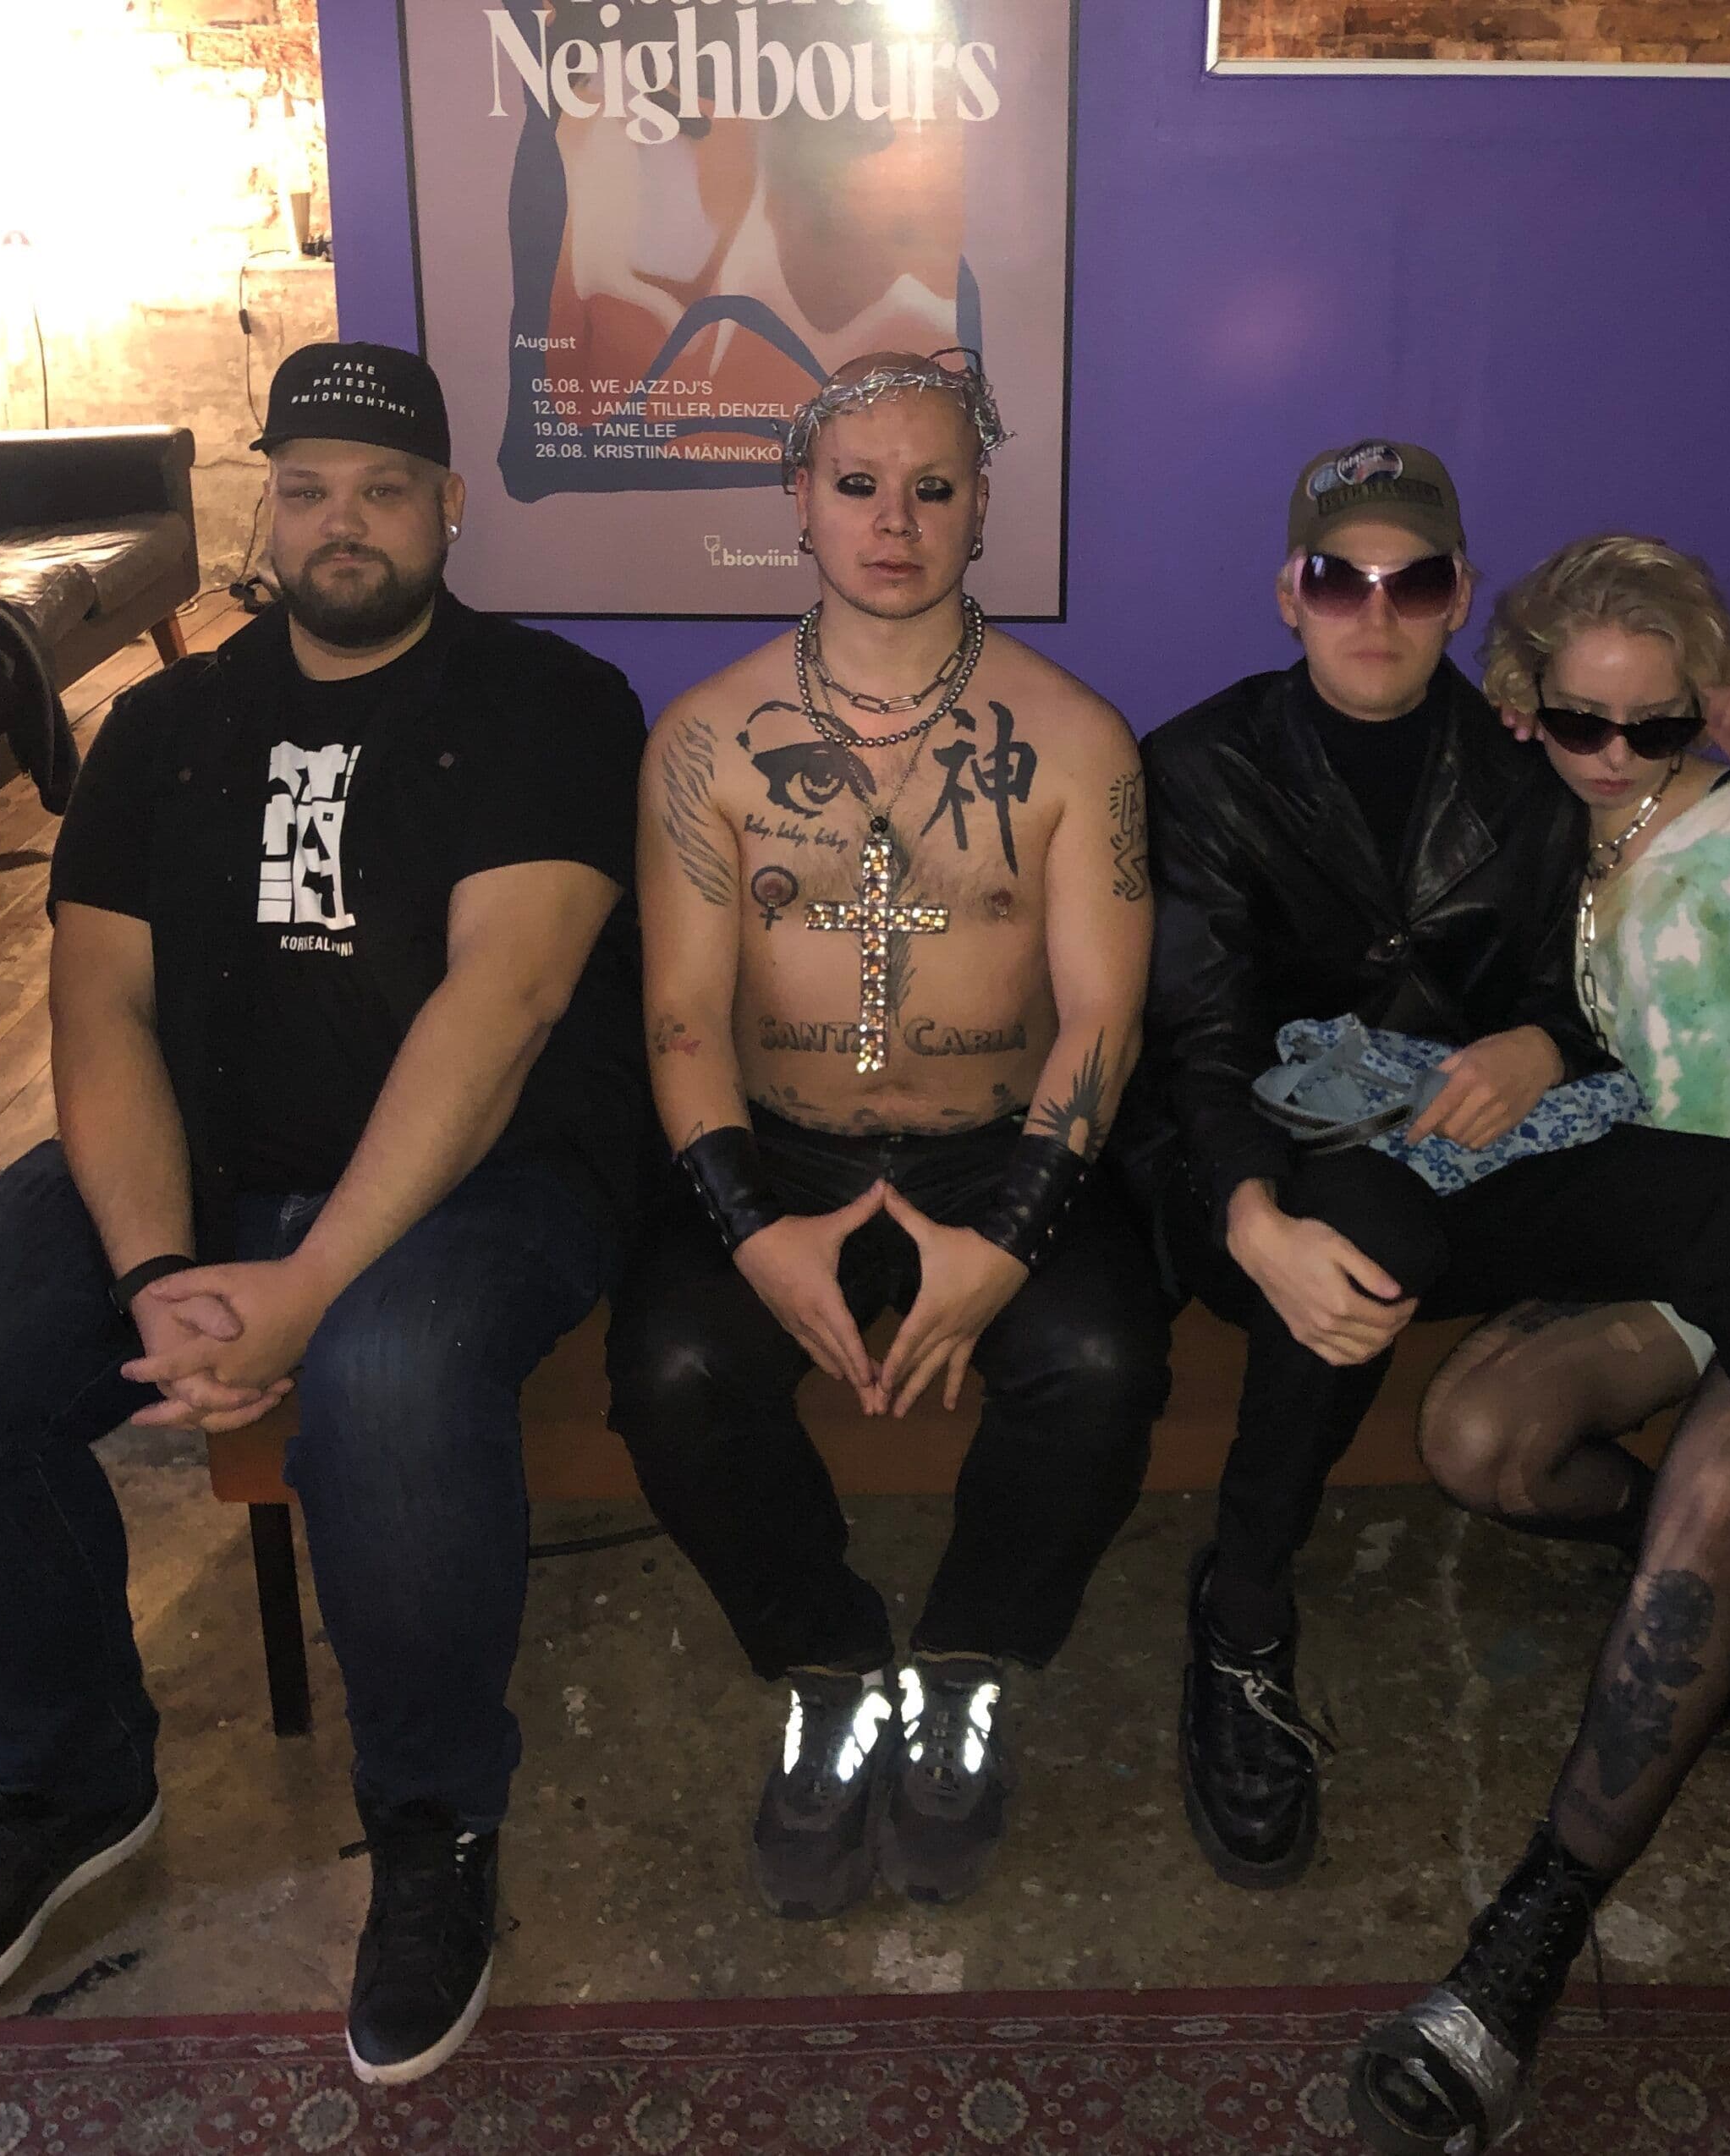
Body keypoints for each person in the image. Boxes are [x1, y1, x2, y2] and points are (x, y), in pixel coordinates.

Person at [1132, 441, 1730, 2143]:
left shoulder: (1642, 804)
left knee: (1705, 1483)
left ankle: (1514, 1970)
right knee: (1467, 1413)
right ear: (1293, 592)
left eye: (1413, 577)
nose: (1614, 752)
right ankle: (1251, 1615)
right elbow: (1202, 1033)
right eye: (1340, 576)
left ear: (1459, 601)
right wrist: (1258, 1205)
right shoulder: (1273, 770)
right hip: (1447, 1185)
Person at [0, 343, 651, 2086]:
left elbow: (506, 1006)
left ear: (451, 508)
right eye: (305, 488)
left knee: (384, 1379)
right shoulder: (162, 729)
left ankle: (435, 1821)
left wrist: (306, 1283)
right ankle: (69, 1782)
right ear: (265, 510)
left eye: (383, 489)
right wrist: (156, 1265)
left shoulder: (552, 702)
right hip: (206, 1158)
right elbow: (100, 1009)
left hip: (495, 1169)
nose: (341, 522)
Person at [607, 351, 1169, 1920]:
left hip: (998, 1145)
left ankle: (970, 1654)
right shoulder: (705, 740)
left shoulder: (1077, 739)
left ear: (982, 505)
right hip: (776, 1142)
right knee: (672, 1367)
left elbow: (1102, 1018)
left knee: (1102, 1359)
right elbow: (681, 1017)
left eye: (933, 487)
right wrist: (749, 1227)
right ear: (799, 500)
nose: (895, 522)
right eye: (858, 485)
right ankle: (830, 1656)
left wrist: (1011, 1241)